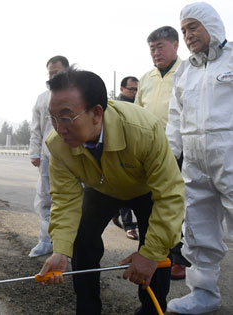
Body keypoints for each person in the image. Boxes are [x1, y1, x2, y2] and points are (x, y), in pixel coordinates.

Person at [37, 68, 185, 315]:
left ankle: (151, 308)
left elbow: (170, 195)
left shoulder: (143, 130)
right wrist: (60, 249)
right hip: (102, 187)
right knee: (80, 240)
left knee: (157, 251)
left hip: (146, 189)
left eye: (66, 117)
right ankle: (88, 309)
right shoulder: (57, 144)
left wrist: (150, 253)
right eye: (52, 118)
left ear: (96, 113)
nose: (58, 128)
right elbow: (64, 199)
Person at [165, 3, 233, 314]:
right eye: (184, 30)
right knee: (197, 227)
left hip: (229, 155)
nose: (189, 35)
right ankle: (204, 293)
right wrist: (168, 157)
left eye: (194, 27)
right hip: (195, 162)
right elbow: (174, 118)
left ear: (212, 26)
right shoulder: (185, 71)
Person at [135, 25, 188, 281]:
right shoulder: (146, 78)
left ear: (176, 45)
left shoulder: (187, 72)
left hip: (182, 149)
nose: (156, 52)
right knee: (155, 203)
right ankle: (158, 252)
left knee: (178, 205)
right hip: (151, 151)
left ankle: (179, 259)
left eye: (161, 46)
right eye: (152, 48)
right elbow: (137, 114)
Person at [28, 55, 69, 257]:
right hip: (47, 155)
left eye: (57, 72)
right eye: (51, 73)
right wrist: (34, 152)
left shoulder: (77, 94)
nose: (53, 75)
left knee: (71, 198)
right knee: (45, 197)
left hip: (73, 155)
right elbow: (36, 128)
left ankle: (69, 243)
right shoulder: (43, 98)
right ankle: (46, 240)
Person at [112, 76, 139, 241]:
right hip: (120, 152)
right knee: (124, 191)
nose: (135, 93)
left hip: (137, 152)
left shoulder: (140, 104)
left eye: (137, 89)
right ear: (122, 89)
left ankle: (114, 213)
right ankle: (129, 226)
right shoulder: (115, 106)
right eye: (131, 89)